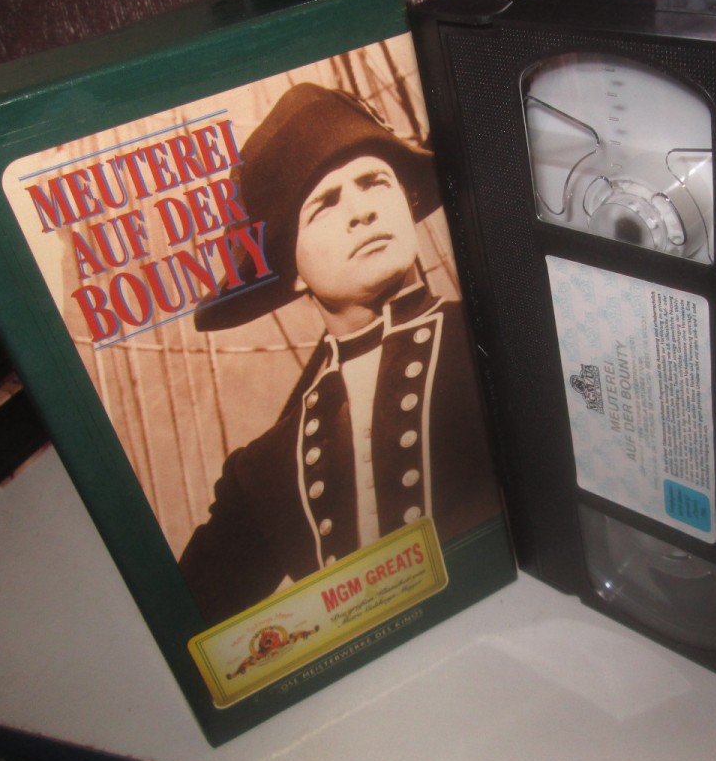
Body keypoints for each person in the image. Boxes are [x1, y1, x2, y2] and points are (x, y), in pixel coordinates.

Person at [178, 83, 500, 626]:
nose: (362, 211)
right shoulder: (265, 470)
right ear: (292, 272)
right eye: (325, 205)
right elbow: (182, 625)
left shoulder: (496, 332)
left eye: (375, 182)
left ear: (408, 203)